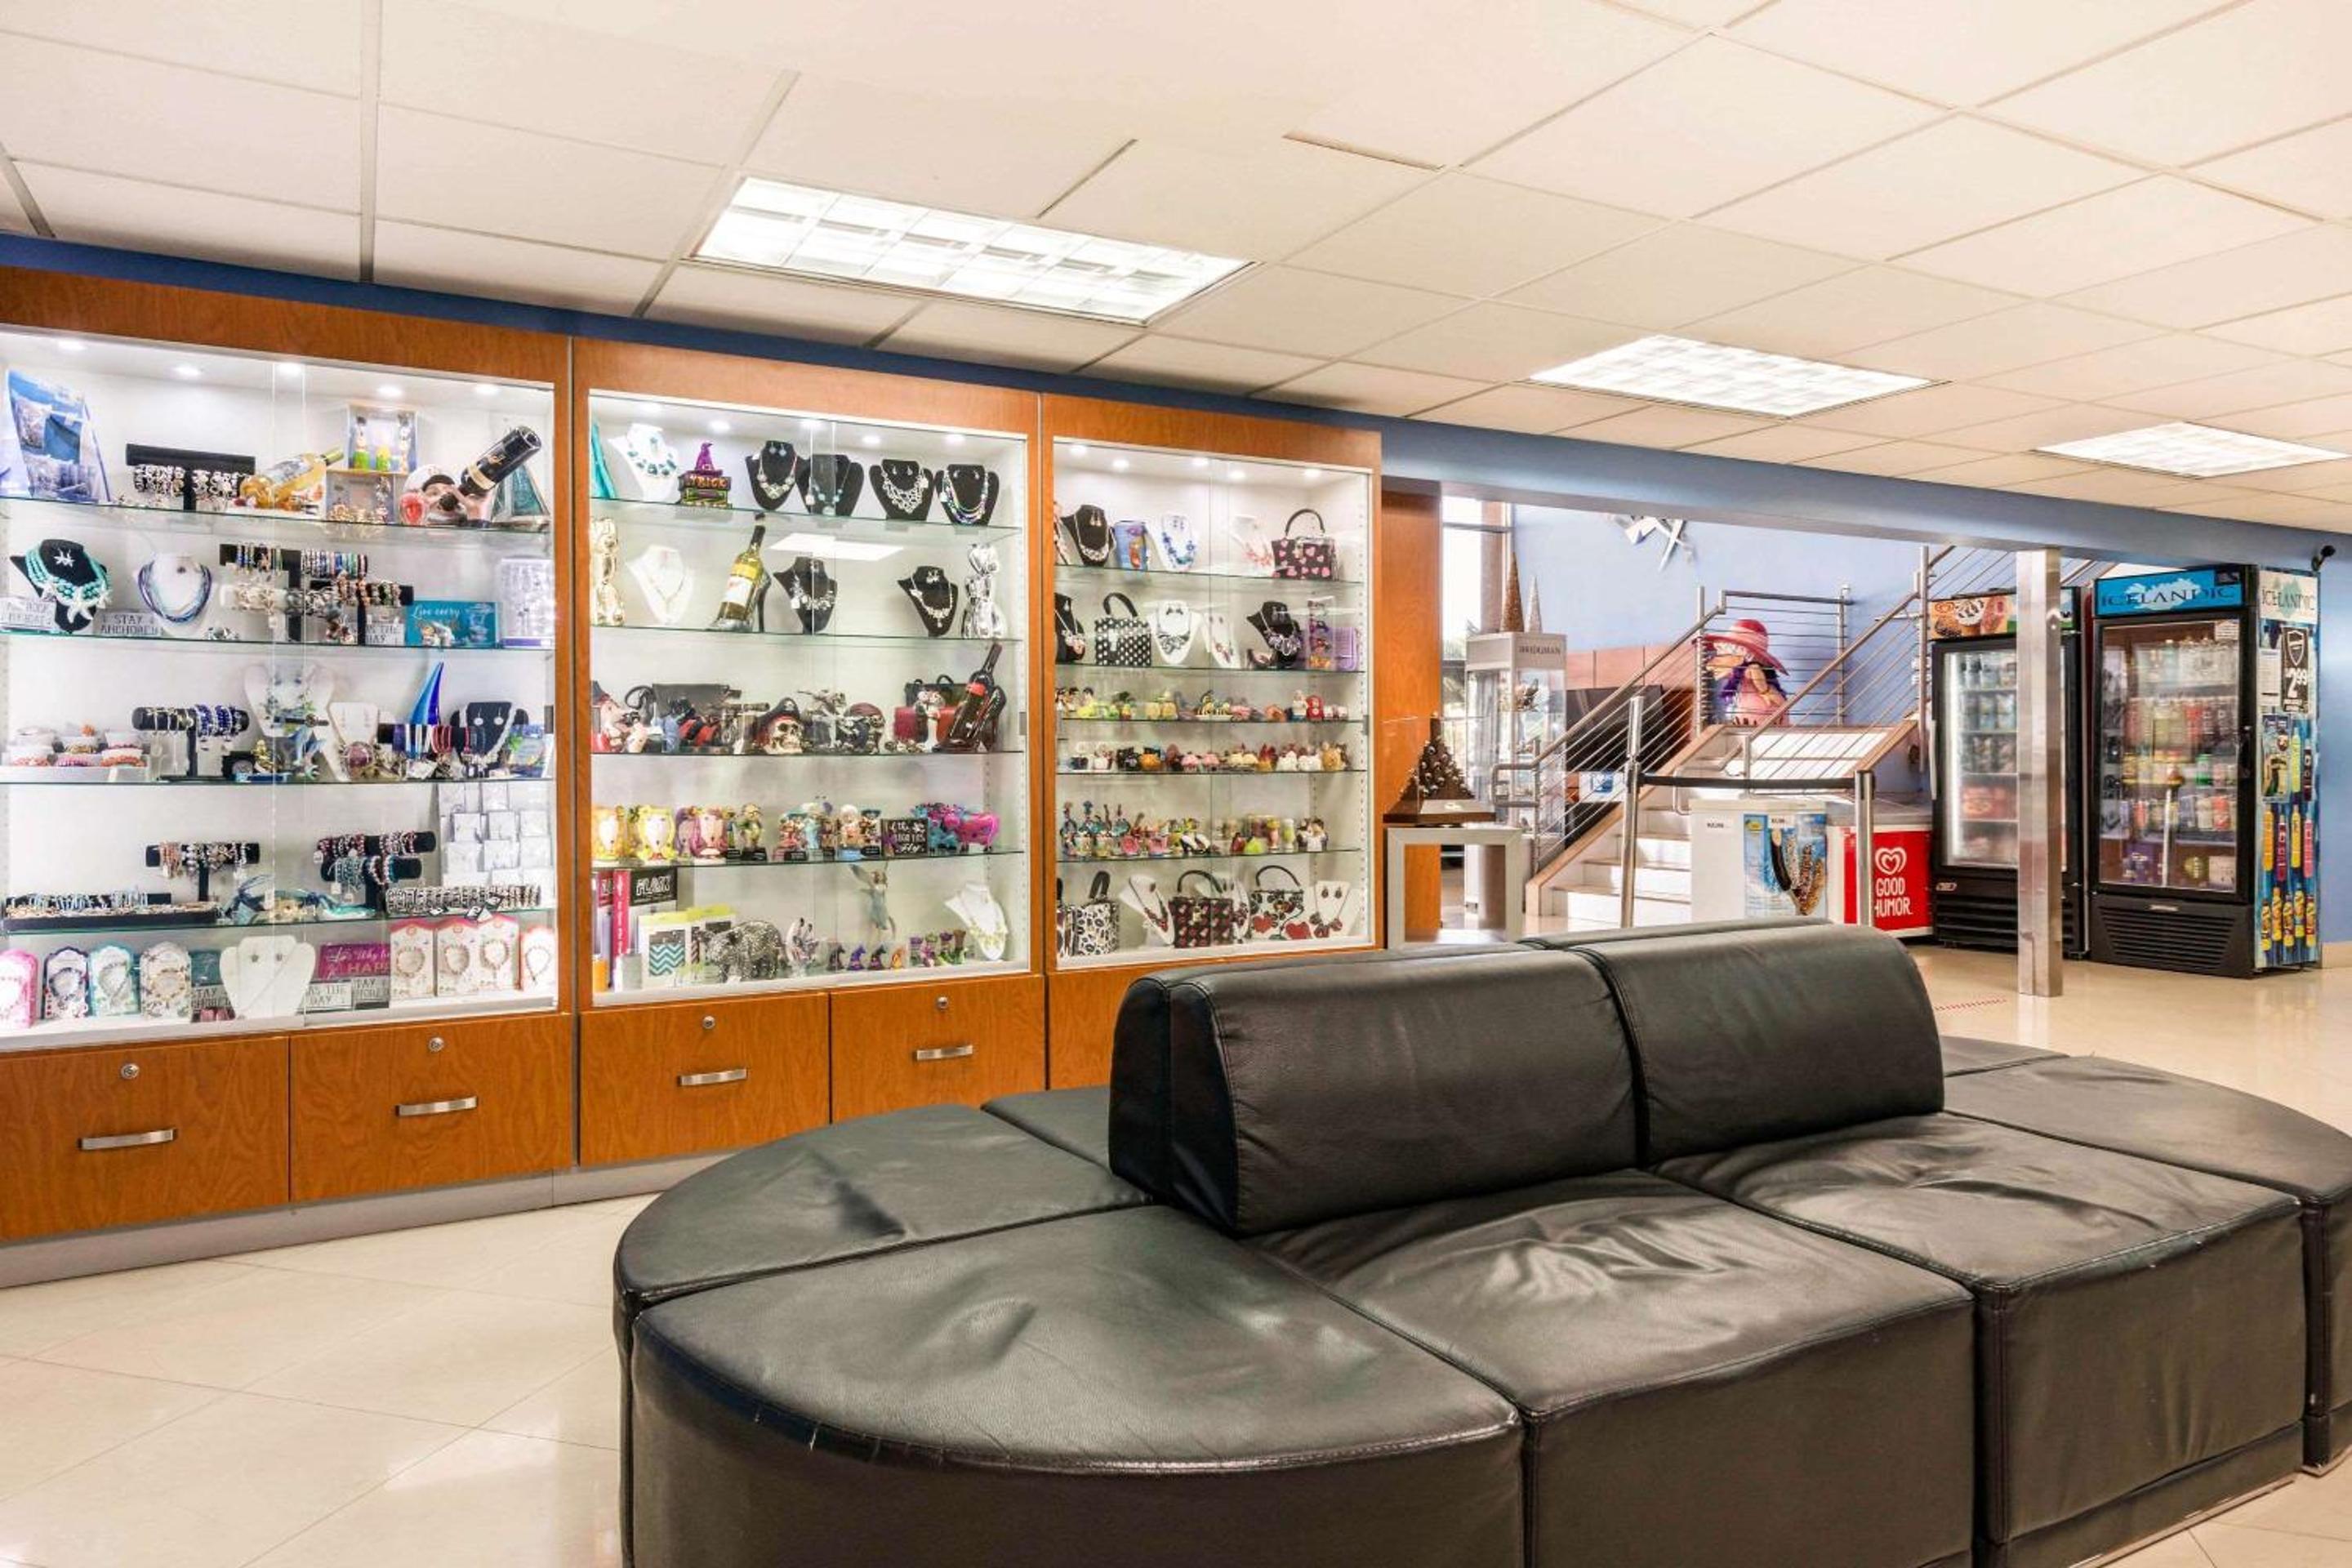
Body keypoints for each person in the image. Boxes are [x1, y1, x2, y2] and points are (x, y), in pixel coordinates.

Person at [1705, 617, 1788, 726]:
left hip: (1760, 718)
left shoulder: (1749, 669)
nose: (1710, 666)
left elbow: (1755, 669)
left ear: (1741, 653)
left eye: (1723, 654)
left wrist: (1764, 690)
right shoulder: (1740, 674)